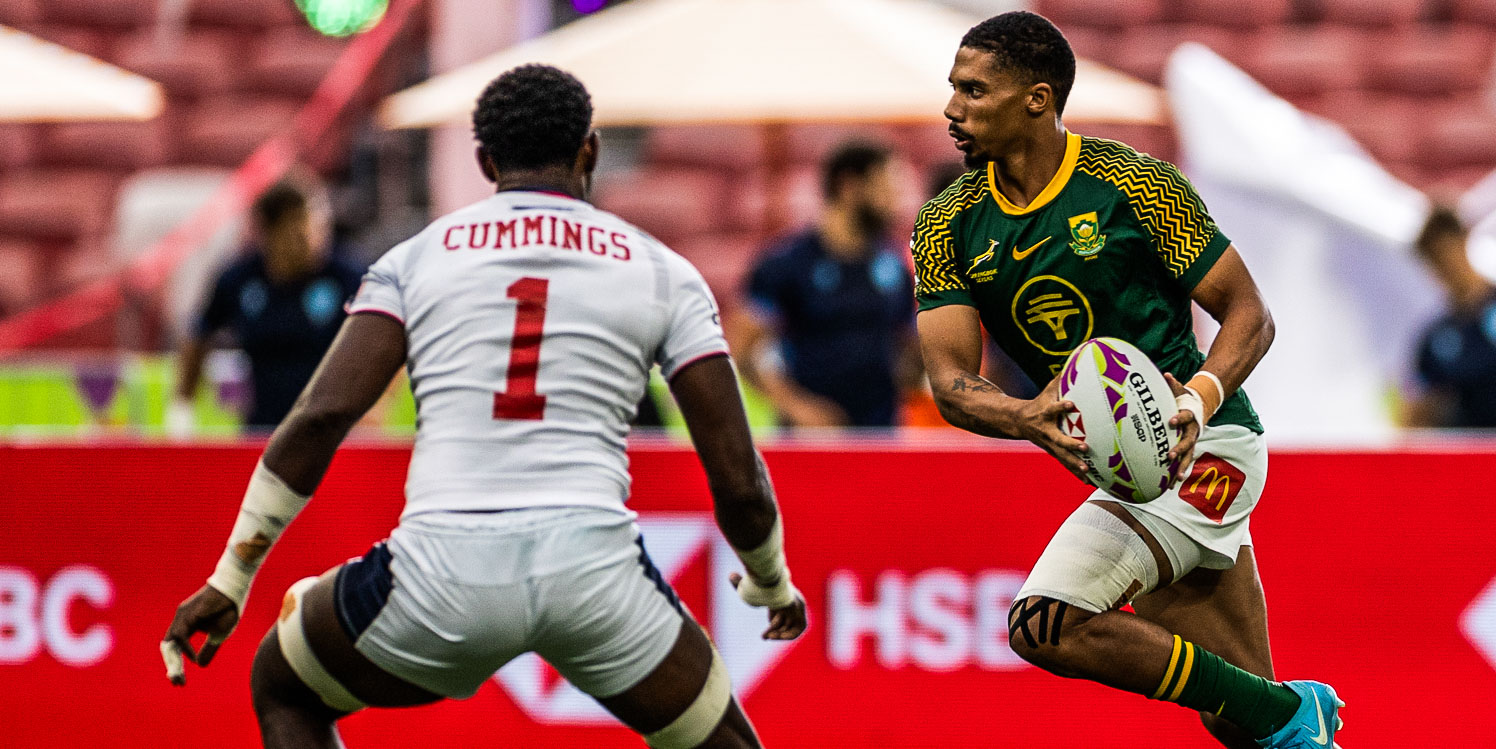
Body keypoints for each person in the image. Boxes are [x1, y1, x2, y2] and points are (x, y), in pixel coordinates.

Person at [161, 64, 807, 749]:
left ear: (486, 162)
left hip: (442, 569)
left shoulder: (415, 260)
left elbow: (320, 418)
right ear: (589, 151)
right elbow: (738, 477)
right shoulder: (663, 272)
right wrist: (770, 581)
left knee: (283, 683)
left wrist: (231, 578)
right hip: (593, 573)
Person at [912, 12, 1341, 748]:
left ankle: (1287, 711)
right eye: (954, 89)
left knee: (1045, 623)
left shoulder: (1134, 185)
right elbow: (950, 380)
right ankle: (1283, 716)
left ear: (1037, 99)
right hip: (1132, 470)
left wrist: (1196, 400)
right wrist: (1023, 416)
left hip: (1207, 445)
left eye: (974, 91)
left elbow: (1250, 314)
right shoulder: (945, 224)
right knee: (1234, 715)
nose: (953, 108)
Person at [734, 142, 917, 428]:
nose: (897, 203)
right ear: (849, 186)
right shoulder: (786, 263)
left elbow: (908, 345)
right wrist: (797, 407)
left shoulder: (894, 264)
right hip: (809, 439)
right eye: (886, 189)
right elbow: (742, 351)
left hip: (881, 434)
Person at [173, 174, 364, 432]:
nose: (314, 240)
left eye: (321, 228)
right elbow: (199, 333)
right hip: (261, 433)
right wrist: (181, 411)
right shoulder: (239, 279)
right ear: (268, 231)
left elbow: (382, 342)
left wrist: (369, 413)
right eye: (300, 233)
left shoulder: (347, 279)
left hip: (329, 434)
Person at [1405, 205, 1496, 428]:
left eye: (1447, 251)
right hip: (1465, 443)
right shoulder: (1435, 338)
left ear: (1464, 241)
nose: (1446, 265)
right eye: (1435, 258)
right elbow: (1419, 407)